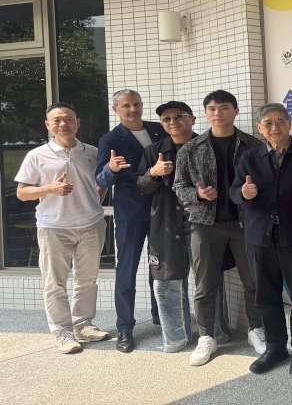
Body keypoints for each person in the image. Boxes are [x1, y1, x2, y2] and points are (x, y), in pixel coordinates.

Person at [173, 90, 262, 366]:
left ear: (235, 111)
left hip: (245, 224)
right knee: (204, 285)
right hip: (204, 225)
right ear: (205, 114)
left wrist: (252, 193)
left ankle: (256, 329)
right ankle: (206, 337)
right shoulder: (191, 148)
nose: (218, 113)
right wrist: (198, 195)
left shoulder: (253, 145)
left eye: (224, 108)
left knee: (254, 281)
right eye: (212, 109)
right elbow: (179, 187)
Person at [15, 103, 110, 353]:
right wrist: (49, 188)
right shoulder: (36, 155)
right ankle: (63, 332)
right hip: (53, 227)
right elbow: (22, 192)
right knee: (55, 282)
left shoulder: (93, 152)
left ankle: (83, 325)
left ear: (77, 122)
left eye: (68, 119)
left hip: (91, 225)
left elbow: (102, 182)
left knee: (87, 280)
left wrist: (93, 201)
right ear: (47, 125)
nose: (63, 124)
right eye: (56, 120)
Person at [230, 103, 292, 376]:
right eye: (268, 123)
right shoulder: (250, 157)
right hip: (260, 236)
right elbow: (234, 191)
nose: (274, 127)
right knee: (266, 295)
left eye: (280, 121)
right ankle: (275, 347)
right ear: (260, 128)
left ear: (289, 124)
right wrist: (244, 193)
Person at [95, 89, 164, 353]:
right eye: (126, 106)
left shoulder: (158, 129)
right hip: (130, 212)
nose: (133, 109)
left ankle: (161, 315)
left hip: (161, 208)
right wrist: (110, 169)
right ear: (116, 110)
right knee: (127, 269)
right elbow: (101, 179)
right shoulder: (111, 139)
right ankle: (125, 327)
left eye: (136, 104)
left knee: (161, 265)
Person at [136, 101, 197, 353]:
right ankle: (175, 337)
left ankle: (213, 333)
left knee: (208, 280)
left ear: (192, 119)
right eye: (167, 119)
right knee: (166, 279)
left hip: (202, 221)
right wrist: (154, 172)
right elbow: (141, 187)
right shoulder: (154, 151)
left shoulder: (205, 145)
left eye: (179, 116)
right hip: (165, 221)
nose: (173, 122)